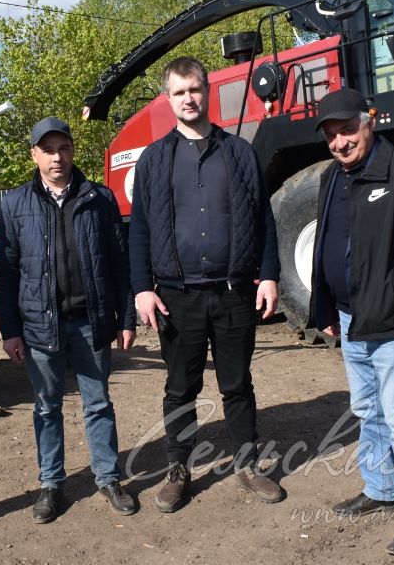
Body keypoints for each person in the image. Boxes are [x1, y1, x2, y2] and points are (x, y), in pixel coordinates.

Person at [128, 56, 283, 513]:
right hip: (177, 298)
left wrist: (270, 274)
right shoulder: (155, 159)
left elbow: (264, 220)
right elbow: (137, 229)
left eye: (194, 89)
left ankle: (247, 465)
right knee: (180, 388)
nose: (188, 99)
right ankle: (179, 470)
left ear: (207, 92)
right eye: (178, 92)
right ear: (168, 98)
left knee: (237, 384)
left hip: (233, 293)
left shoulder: (239, 152)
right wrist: (143, 288)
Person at [308, 88, 394, 555]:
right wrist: (326, 307)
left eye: (347, 130)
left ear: (370, 121)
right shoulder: (333, 176)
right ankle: (380, 487)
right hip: (350, 318)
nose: (339, 142)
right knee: (368, 411)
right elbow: (329, 239)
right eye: (330, 135)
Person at [0, 116, 138, 523]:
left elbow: (119, 263)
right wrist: (10, 330)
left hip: (90, 321)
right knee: (46, 407)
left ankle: (108, 477)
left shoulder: (99, 198)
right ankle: (51, 484)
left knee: (98, 404)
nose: (57, 157)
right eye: (48, 150)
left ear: (72, 151)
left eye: (64, 148)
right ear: (34, 155)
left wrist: (125, 318)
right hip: (41, 326)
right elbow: (5, 272)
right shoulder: (16, 203)